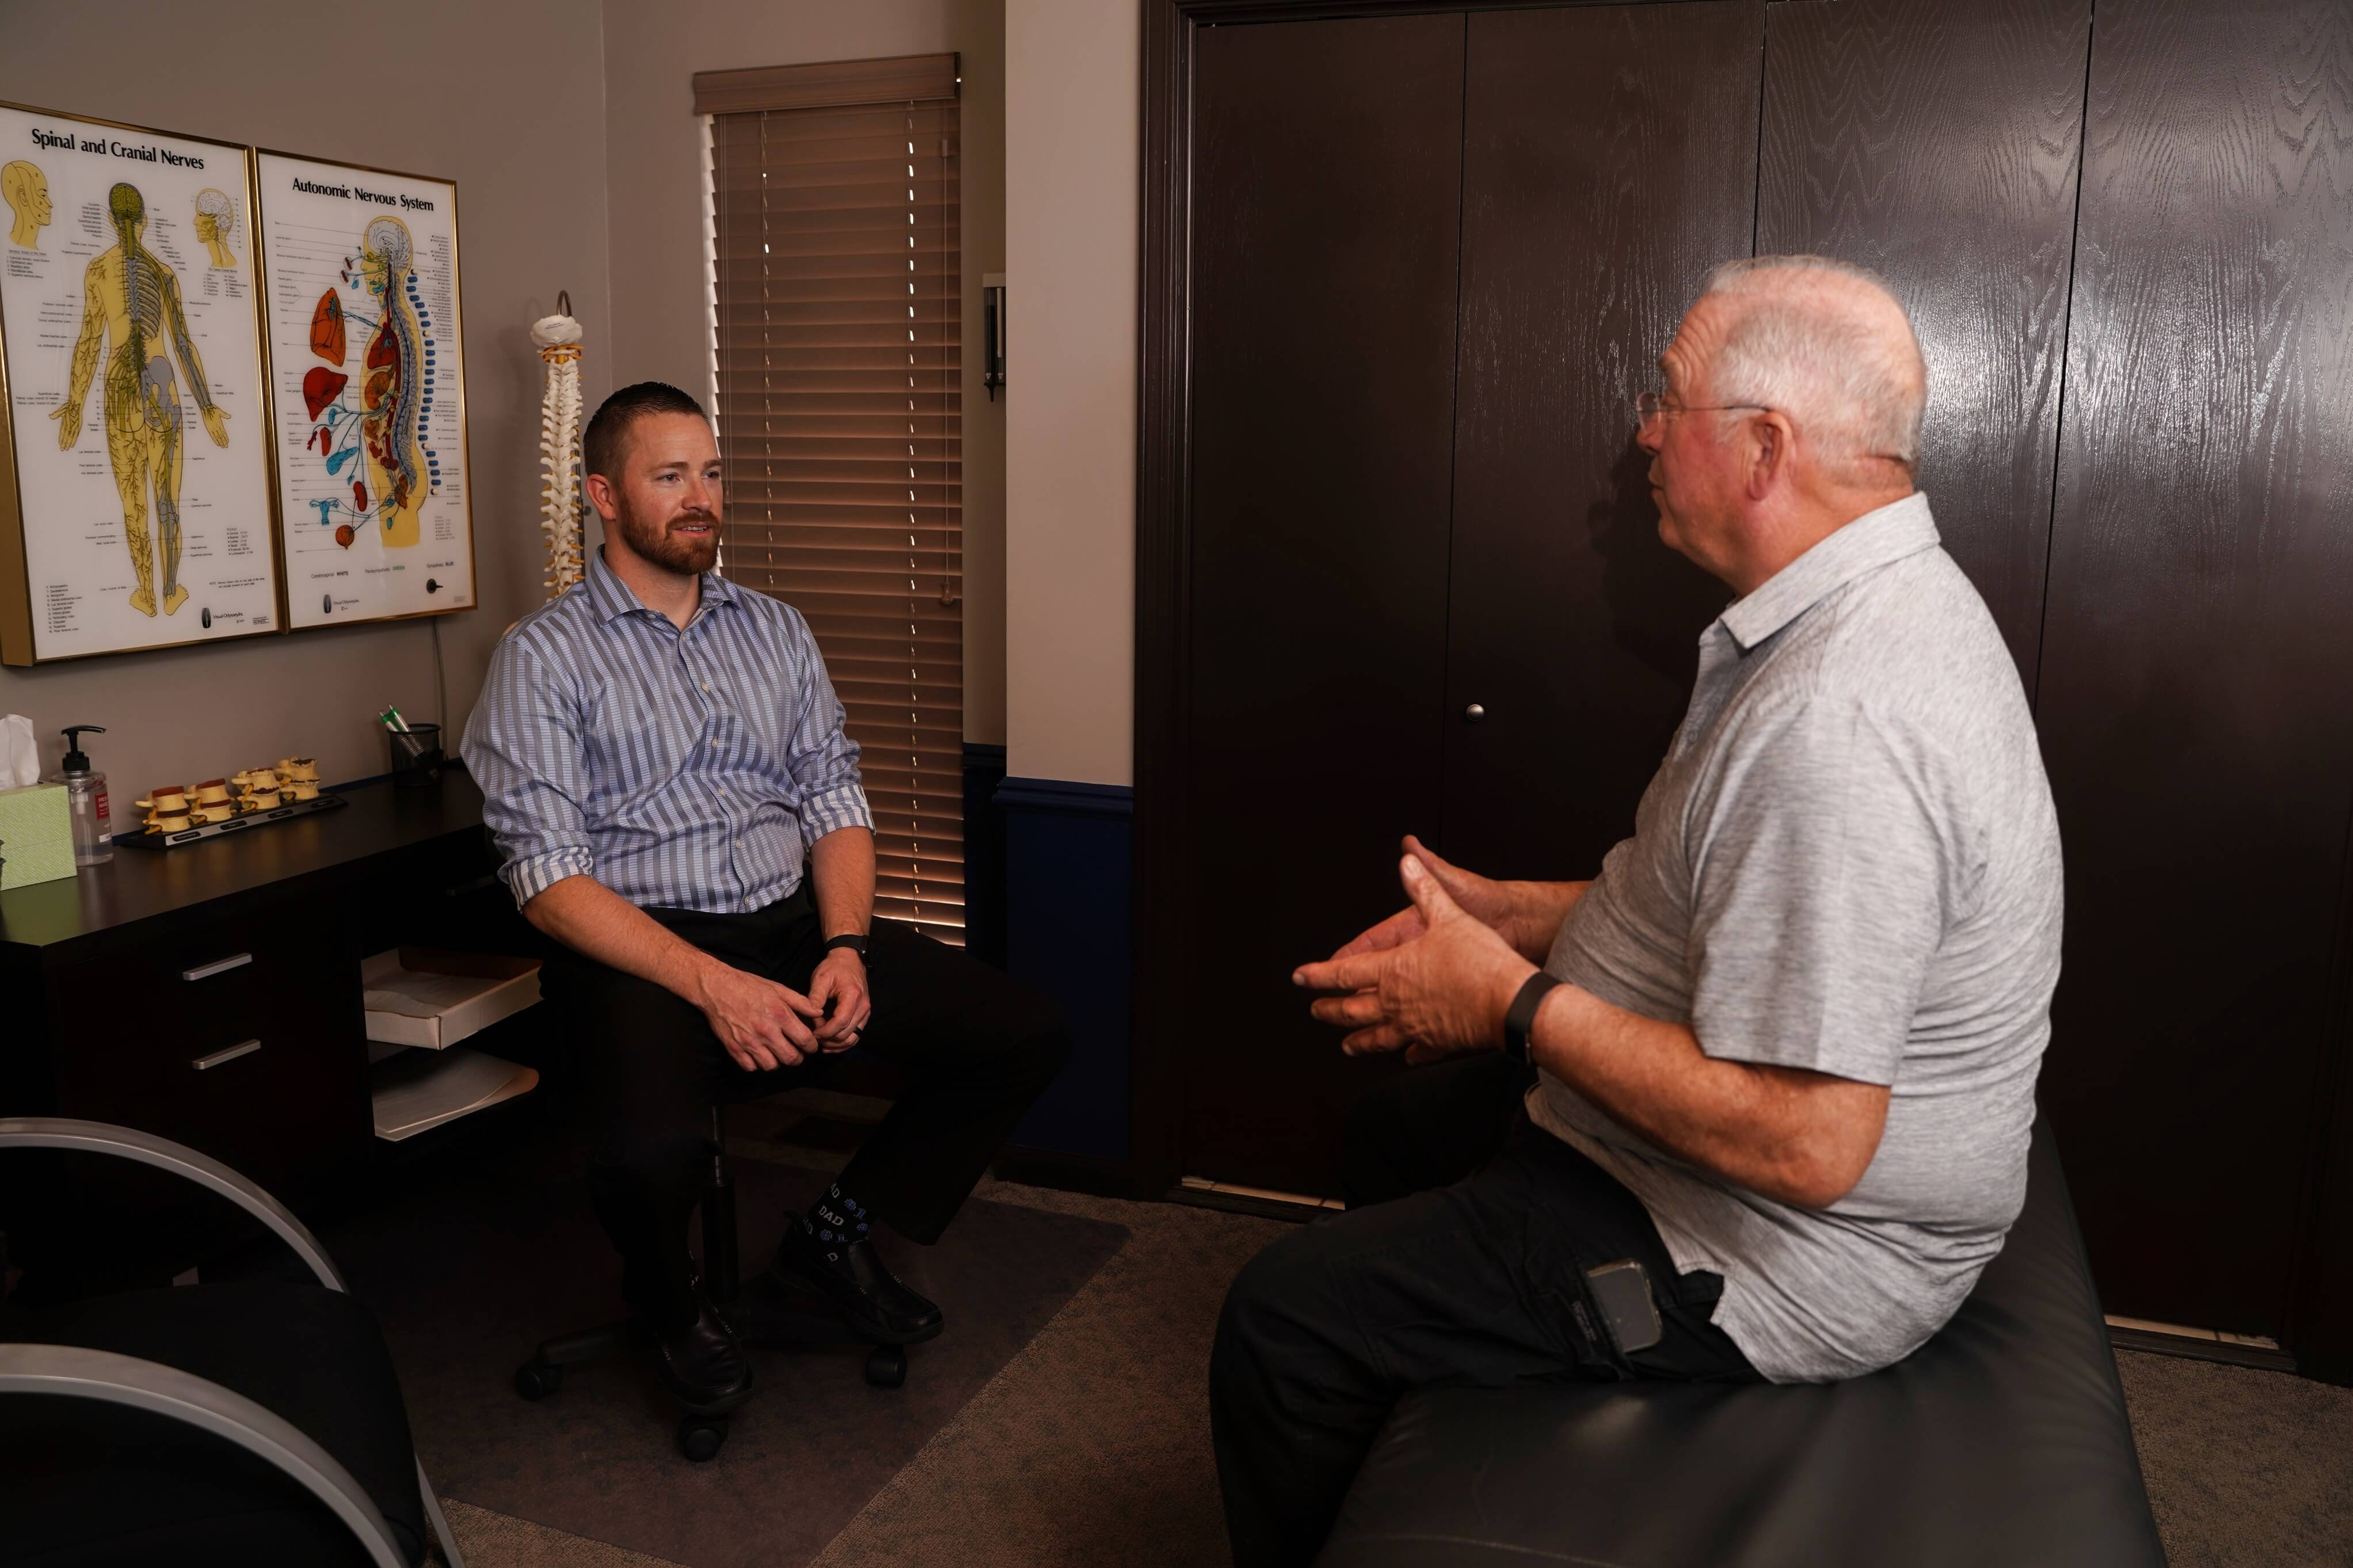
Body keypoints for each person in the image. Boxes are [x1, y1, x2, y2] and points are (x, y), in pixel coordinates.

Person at [1209, 256, 2065, 1566]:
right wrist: (1518, 914)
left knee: (1280, 1321)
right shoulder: (1837, 619)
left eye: (1668, 397)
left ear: (1764, 447)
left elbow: (1810, 1143)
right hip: (1733, 1183)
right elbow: (1715, 900)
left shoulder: (1844, 718)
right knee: (1390, 1137)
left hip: (1784, 1258)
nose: (1643, 430)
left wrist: (1505, 1000)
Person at [463, 381, 1071, 1415]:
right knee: (651, 1153)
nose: (701, 497)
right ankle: (666, 1300)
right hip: (643, 950)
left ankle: (827, 1241)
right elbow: (545, 875)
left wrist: (845, 945)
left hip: (789, 923)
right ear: (605, 496)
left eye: (711, 471)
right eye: (670, 477)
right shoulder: (543, 655)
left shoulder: (776, 630)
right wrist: (714, 986)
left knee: (1021, 1031)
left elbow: (834, 796)